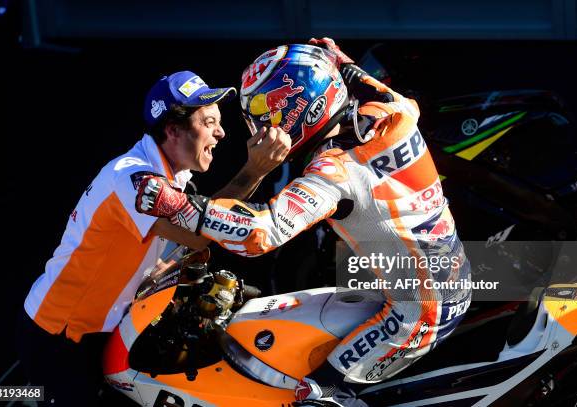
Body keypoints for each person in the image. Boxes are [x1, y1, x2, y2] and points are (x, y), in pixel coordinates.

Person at [136, 41, 471, 406]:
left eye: (264, 109)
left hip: (418, 309)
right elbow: (358, 78)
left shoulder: (334, 173)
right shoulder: (393, 109)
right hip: (438, 274)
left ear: (296, 108)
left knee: (315, 396)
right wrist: (335, 59)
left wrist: (183, 206)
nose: (259, 127)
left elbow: (261, 232)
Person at [17, 70, 290, 406]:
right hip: (61, 337)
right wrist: (256, 170)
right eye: (209, 122)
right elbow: (202, 235)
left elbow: (196, 231)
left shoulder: (172, 174)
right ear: (173, 130)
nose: (221, 133)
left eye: (218, 121)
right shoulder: (134, 178)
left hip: (107, 329)